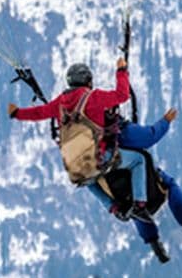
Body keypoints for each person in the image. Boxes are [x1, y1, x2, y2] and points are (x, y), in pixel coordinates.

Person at [8, 59, 151, 220]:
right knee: (139, 160)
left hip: (75, 166)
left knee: (86, 178)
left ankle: (113, 207)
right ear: (88, 81)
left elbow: (38, 113)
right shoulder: (93, 97)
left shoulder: (60, 103)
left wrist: (17, 113)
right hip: (101, 158)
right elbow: (122, 95)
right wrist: (121, 71)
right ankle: (140, 204)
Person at [94, 109, 182, 263]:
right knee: (168, 185)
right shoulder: (120, 132)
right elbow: (149, 137)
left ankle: (155, 246)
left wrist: (110, 205)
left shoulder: (85, 147)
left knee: (133, 206)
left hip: (115, 190)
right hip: (140, 179)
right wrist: (165, 122)